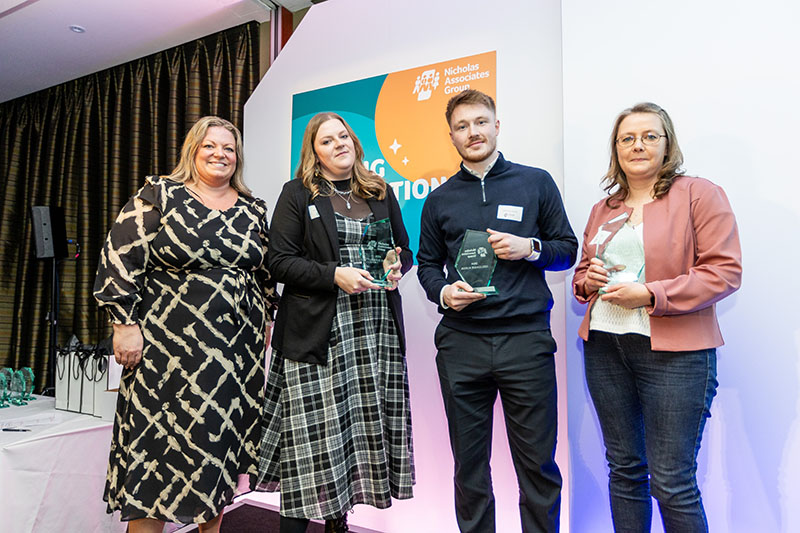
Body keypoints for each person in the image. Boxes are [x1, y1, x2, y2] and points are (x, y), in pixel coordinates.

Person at [93, 116, 278, 533]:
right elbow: (119, 256)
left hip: (234, 357)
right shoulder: (160, 195)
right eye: (210, 146)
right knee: (156, 455)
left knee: (215, 456)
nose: (220, 155)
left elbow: (265, 274)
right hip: (166, 354)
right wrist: (124, 324)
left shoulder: (252, 208)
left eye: (229, 149)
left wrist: (267, 316)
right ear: (192, 150)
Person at [572, 102, 742, 532]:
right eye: (627, 138)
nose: (638, 145)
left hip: (676, 355)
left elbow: (724, 271)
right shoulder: (603, 208)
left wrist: (651, 293)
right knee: (625, 471)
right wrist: (589, 280)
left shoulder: (699, 194)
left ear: (668, 144)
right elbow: (581, 275)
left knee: (671, 481)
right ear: (616, 149)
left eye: (650, 136)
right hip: (606, 348)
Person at [417, 89, 578, 533]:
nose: (473, 132)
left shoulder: (536, 182)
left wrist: (531, 249)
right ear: (451, 136)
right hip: (461, 344)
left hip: (525, 342)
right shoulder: (439, 200)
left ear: (496, 125)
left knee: (538, 468)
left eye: (481, 122)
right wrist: (445, 293)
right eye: (463, 126)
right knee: (469, 471)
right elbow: (427, 264)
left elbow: (567, 251)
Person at [256, 112, 415, 533]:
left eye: (343, 136)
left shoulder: (379, 191)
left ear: (355, 142)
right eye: (327, 141)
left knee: (349, 438)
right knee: (309, 447)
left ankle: (337, 522)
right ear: (314, 152)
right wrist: (333, 275)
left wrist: (398, 265)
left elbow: (402, 248)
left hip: (372, 330)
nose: (338, 144)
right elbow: (279, 261)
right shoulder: (298, 193)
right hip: (317, 333)